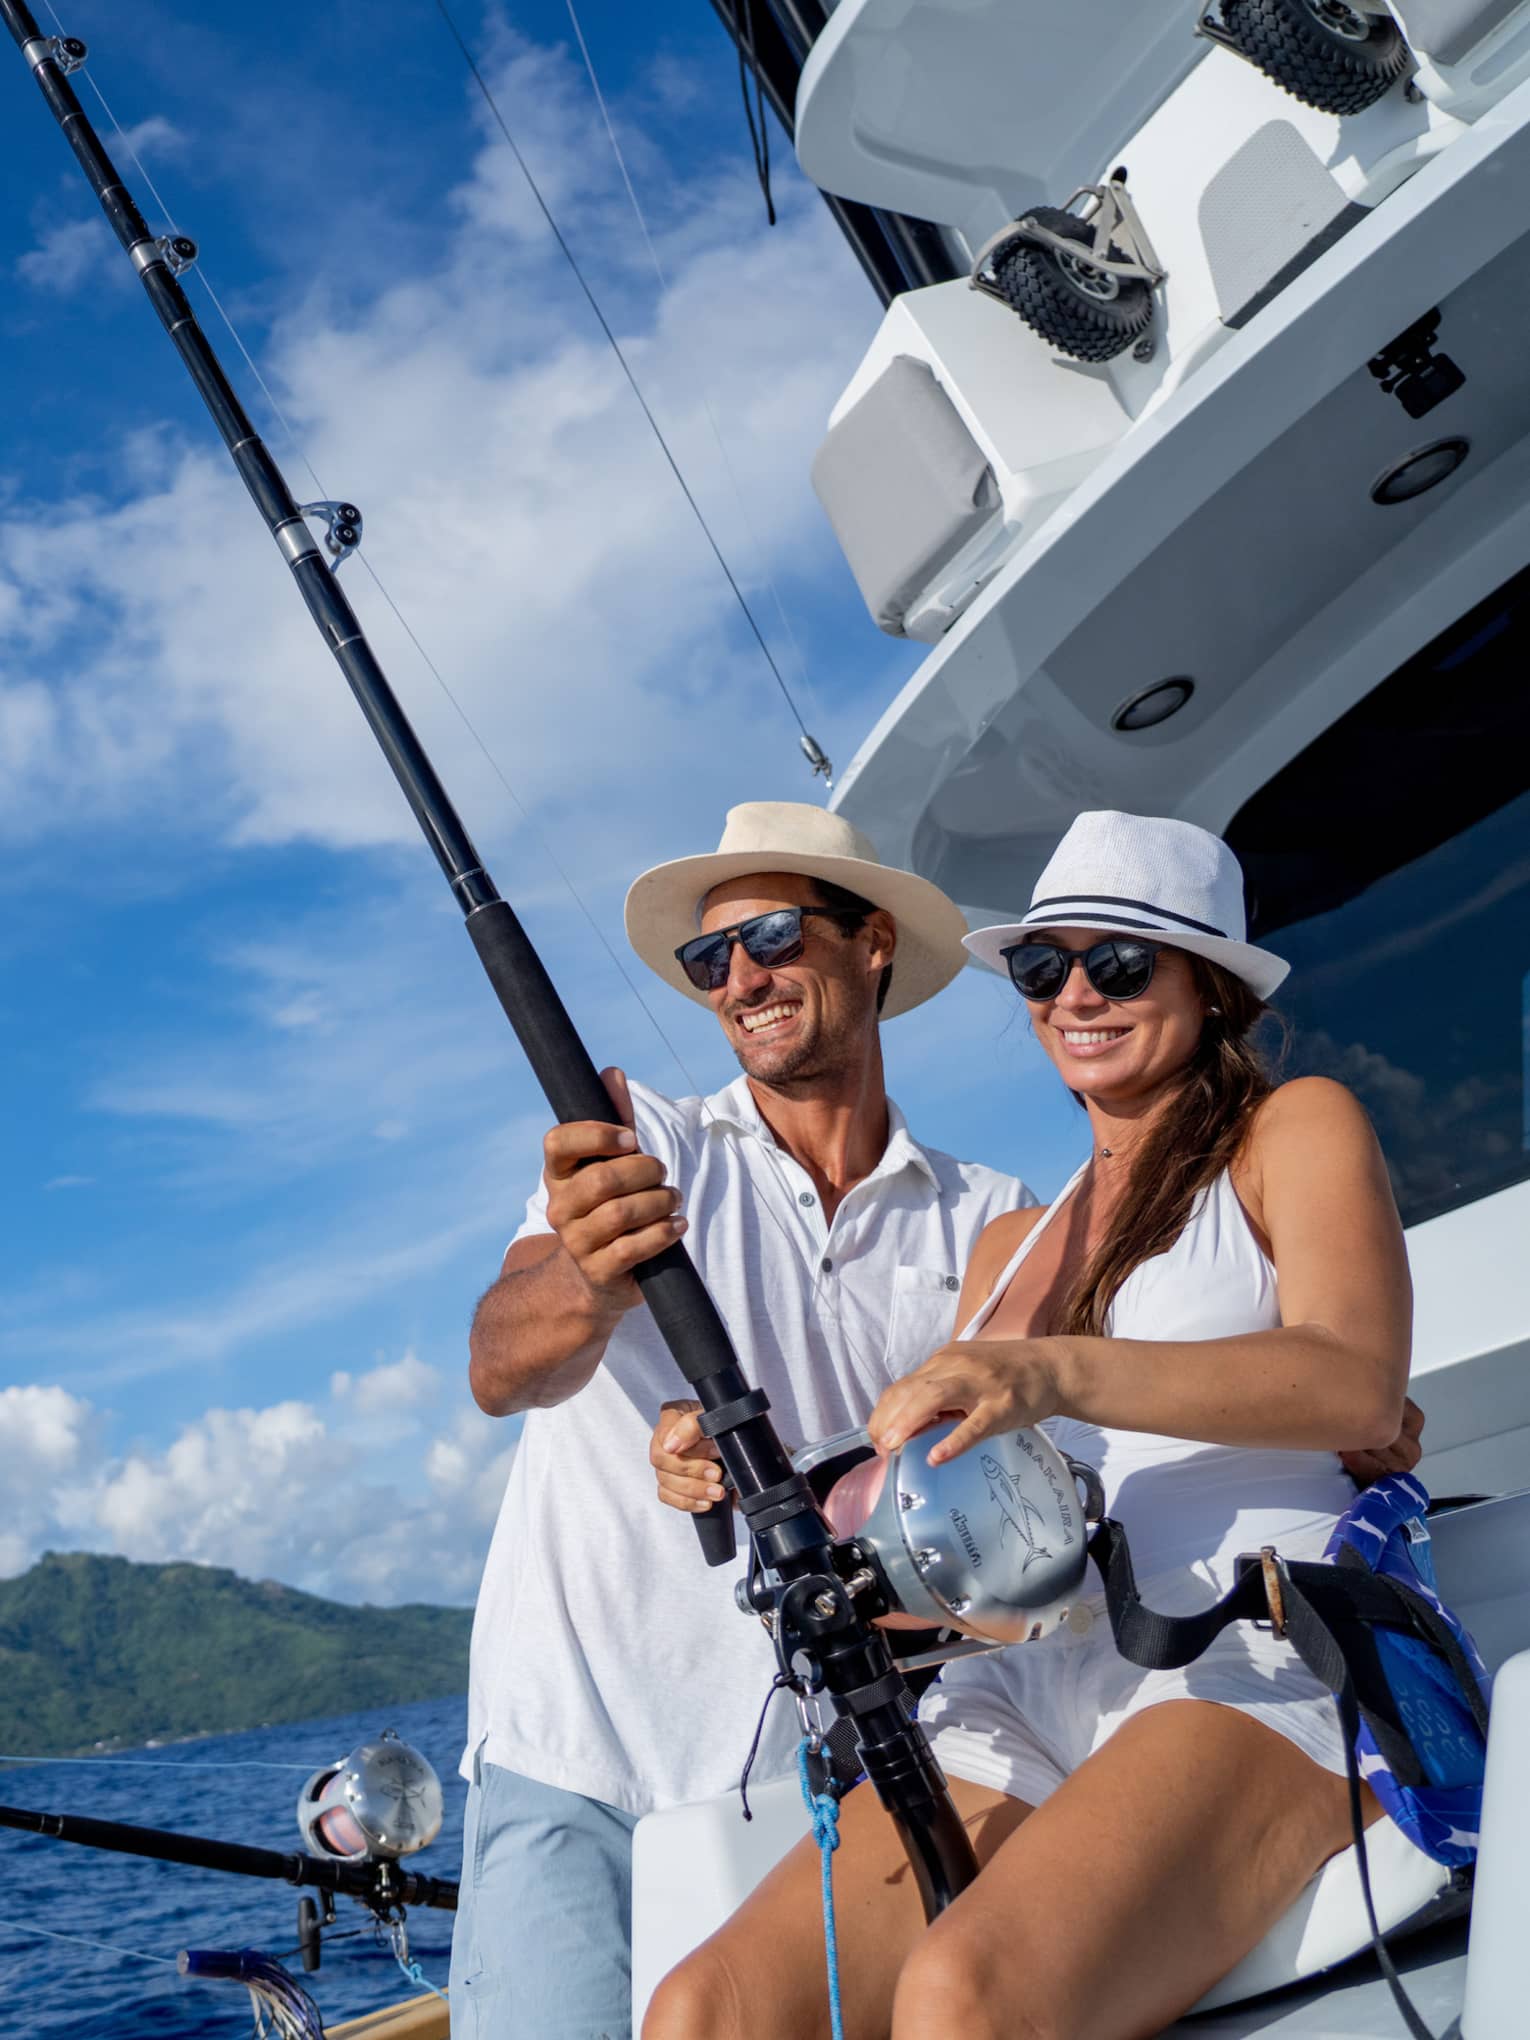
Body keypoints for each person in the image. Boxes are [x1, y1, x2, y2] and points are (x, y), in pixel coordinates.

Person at [645, 810, 1426, 2040]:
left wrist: (1053, 1373)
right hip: (1015, 1684)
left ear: (1213, 987)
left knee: (964, 1997)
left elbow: (1357, 1386)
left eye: (1119, 964)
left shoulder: (1294, 1127)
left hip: (1246, 1654)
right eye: (1041, 966)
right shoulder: (1010, 1244)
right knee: (704, 2010)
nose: (1076, 995)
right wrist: (744, 1480)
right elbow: (941, 1500)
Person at [449, 803, 1035, 2039]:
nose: (741, 978)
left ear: (871, 940)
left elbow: (1004, 1488)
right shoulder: (650, 1141)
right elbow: (501, 1364)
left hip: (810, 1775)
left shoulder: (985, 1214)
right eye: (708, 959)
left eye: (769, 935)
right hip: (577, 1749)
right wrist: (587, 1278)